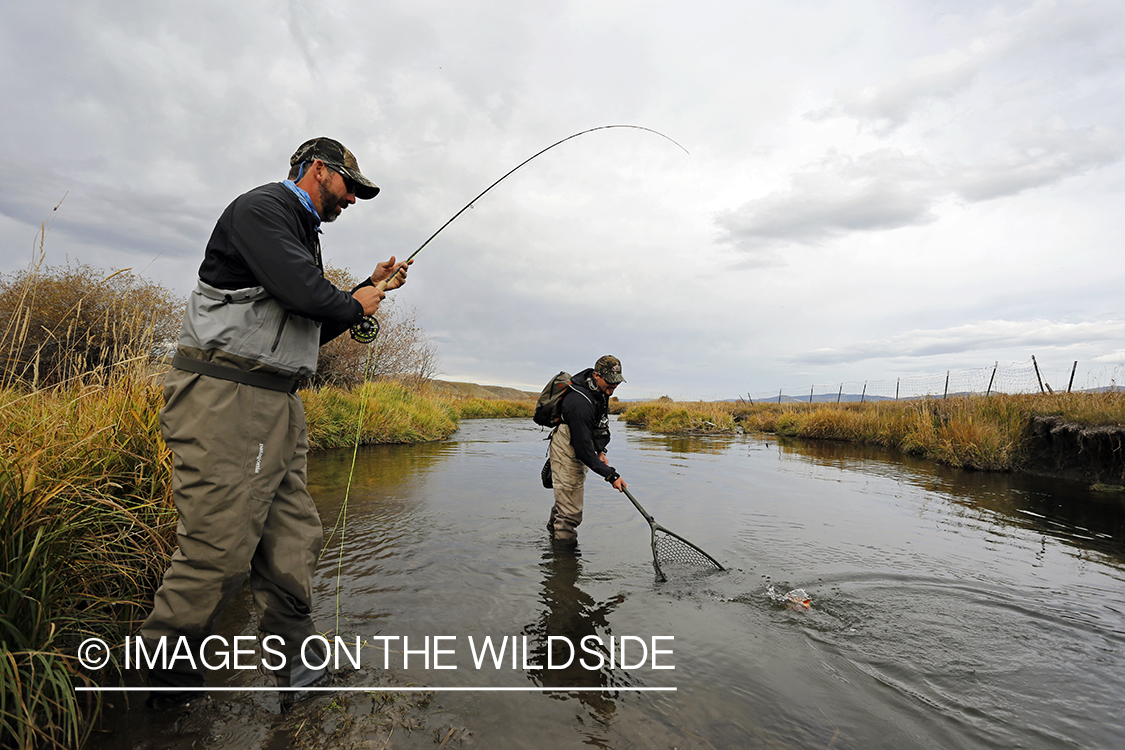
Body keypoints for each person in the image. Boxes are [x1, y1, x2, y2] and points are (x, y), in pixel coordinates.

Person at [140, 137, 408, 708]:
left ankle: (300, 677)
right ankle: (159, 691)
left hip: (278, 403)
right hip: (226, 397)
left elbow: (312, 323)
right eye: (350, 188)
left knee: (293, 542)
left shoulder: (299, 234)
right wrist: (356, 298)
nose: (354, 200)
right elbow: (308, 295)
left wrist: (368, 289)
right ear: (318, 170)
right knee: (218, 549)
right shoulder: (260, 210)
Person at [546, 355, 628, 544]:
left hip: (581, 444)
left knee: (567, 499)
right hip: (567, 449)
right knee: (571, 512)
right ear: (597, 375)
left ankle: (550, 539)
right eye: (610, 382)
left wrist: (601, 452)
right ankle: (564, 564)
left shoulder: (601, 391)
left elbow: (598, 426)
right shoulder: (579, 402)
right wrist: (611, 475)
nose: (613, 387)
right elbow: (582, 450)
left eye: (617, 382)